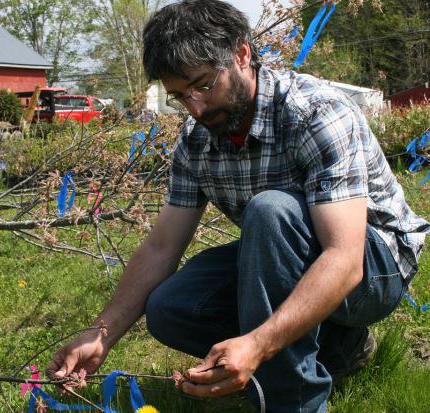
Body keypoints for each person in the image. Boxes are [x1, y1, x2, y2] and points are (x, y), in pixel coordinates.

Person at [48, 1, 429, 412]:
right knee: (168, 307)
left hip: (376, 265)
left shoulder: (316, 114)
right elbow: (161, 248)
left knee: (270, 212)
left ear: (242, 54)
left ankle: (291, 402)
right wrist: (101, 334)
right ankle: (339, 348)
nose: (196, 108)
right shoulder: (196, 144)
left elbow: (345, 257)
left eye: (203, 85)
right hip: (296, 254)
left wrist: (258, 344)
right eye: (180, 97)